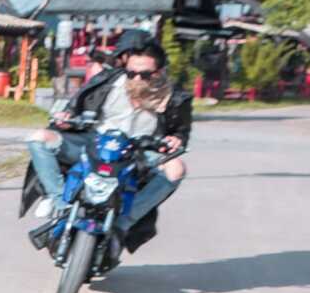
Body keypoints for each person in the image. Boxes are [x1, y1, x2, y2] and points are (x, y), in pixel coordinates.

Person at [26, 32, 190, 244]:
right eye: (131, 73)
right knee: (38, 138)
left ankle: (123, 224)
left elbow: (180, 132)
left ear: (159, 72)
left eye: (145, 74)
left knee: (176, 168)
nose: (136, 79)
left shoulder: (174, 97)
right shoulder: (106, 81)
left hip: (138, 154)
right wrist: (66, 118)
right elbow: (75, 107)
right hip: (94, 144)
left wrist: (176, 139)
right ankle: (59, 203)